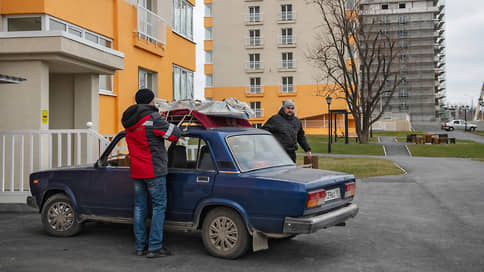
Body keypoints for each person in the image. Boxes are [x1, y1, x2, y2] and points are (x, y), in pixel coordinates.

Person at [121, 88, 181, 258]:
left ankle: (140, 247)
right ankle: (154, 247)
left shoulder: (129, 120)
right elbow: (174, 135)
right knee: (158, 207)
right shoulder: (153, 118)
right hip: (154, 170)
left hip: (137, 171)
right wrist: (173, 125)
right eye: (154, 101)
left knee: (139, 207)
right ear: (150, 101)